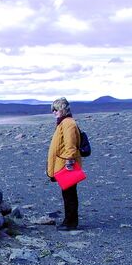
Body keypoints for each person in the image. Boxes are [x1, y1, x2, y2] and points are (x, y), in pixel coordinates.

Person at [47, 97, 82, 230]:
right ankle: (69, 221)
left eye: (56, 109)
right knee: (68, 194)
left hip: (67, 165)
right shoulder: (64, 123)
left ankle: (70, 223)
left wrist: (69, 162)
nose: (54, 112)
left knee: (69, 194)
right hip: (64, 164)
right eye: (52, 110)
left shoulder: (68, 123)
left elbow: (70, 145)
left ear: (62, 109)